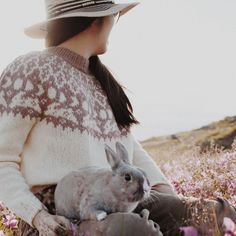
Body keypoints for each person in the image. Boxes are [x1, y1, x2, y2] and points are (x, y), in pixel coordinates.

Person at [0, 0, 235, 235]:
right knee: (132, 229)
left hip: (117, 199)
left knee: (217, 216)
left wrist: (174, 203)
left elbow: (130, 149)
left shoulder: (102, 82)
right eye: (115, 16)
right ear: (97, 20)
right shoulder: (31, 69)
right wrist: (37, 216)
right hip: (56, 215)